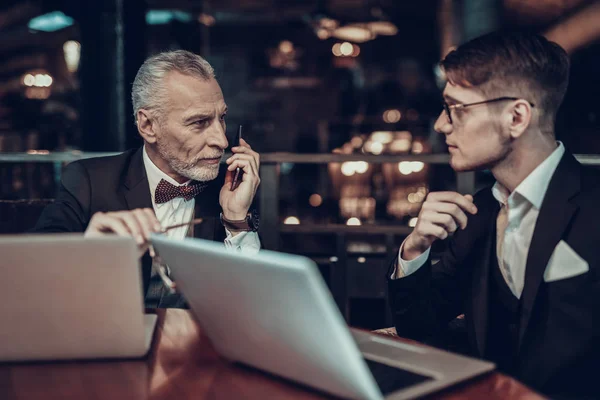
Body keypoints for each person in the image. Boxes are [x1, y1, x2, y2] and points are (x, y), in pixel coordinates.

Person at [388, 31, 599, 399]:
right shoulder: (480, 211)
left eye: (457, 109)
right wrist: (415, 248)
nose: (441, 125)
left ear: (516, 117)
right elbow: (418, 323)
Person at [33, 50, 261, 307]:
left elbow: (255, 303)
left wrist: (236, 221)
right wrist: (90, 250)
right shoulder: (89, 181)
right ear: (148, 126)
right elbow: (35, 273)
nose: (221, 140)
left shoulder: (233, 188)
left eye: (222, 118)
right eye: (199, 123)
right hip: (116, 341)